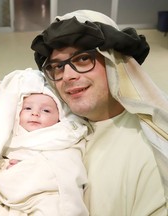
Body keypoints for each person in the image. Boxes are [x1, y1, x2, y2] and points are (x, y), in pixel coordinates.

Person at [31, 10, 168, 215]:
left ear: (115, 64)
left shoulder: (150, 156)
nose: (67, 75)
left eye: (83, 59)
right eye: (58, 67)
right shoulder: (53, 129)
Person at [0, 69, 89, 216]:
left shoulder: (64, 137)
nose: (35, 113)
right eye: (27, 108)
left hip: (50, 198)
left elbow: (68, 167)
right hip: (14, 199)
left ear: (60, 117)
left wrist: (30, 166)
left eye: (46, 111)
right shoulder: (8, 139)